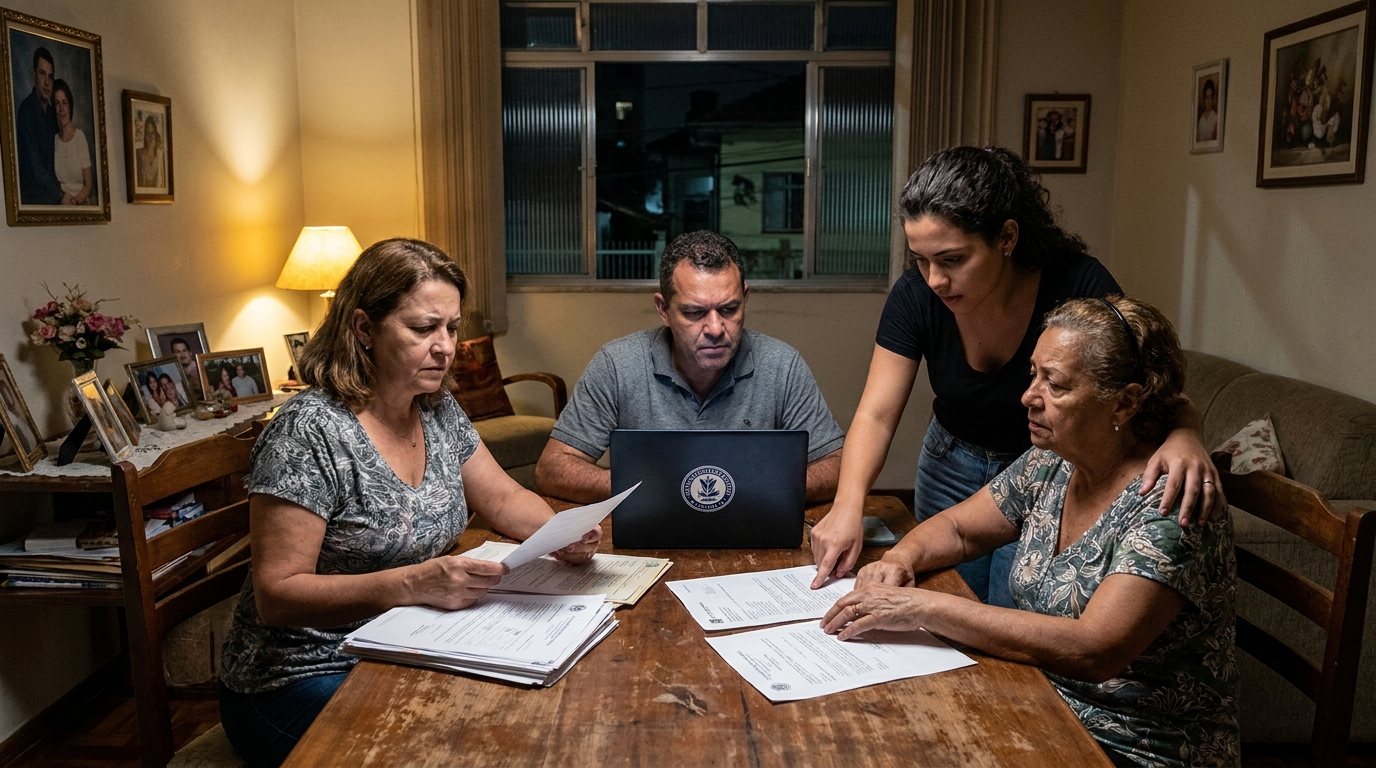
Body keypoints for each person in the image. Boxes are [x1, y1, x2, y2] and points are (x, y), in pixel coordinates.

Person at [218, 238, 601, 767]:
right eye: (423, 329)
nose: (446, 346)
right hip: (299, 677)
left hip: (402, 643)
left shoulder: (437, 407)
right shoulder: (307, 433)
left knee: (529, 716)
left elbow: (504, 495)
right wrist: (413, 584)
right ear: (363, 329)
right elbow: (278, 596)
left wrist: (562, 531)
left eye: (451, 327)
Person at [822, 296, 1237, 767]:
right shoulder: (1054, 458)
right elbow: (960, 529)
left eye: (1054, 383)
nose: (1029, 396)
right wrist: (899, 560)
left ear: (1124, 401)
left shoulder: (1170, 501)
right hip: (1043, 701)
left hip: (1132, 746)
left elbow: (1094, 650)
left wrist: (921, 607)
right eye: (1033, 374)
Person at [809, 147, 1219, 602]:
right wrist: (849, 505)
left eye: (951, 259)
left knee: (1011, 610)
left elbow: (1147, 388)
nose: (934, 280)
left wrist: (1185, 435)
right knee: (942, 597)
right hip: (951, 461)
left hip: (1043, 472)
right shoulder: (916, 295)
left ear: (1006, 237)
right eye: (920, 260)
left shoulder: (1077, 286)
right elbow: (878, 413)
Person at [534, 230, 844, 504]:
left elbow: (838, 465)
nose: (715, 328)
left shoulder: (782, 366)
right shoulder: (618, 365)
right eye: (694, 312)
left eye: (729, 309)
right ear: (664, 310)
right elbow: (551, 469)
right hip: (648, 538)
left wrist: (749, 487)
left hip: (751, 536)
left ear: (745, 299)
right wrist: (647, 488)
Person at [15, 47, 62, 205]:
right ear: (33, 74)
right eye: (42, 74)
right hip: (35, 200)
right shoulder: (26, 111)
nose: (47, 82)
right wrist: (62, 196)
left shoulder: (52, 113)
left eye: (50, 76)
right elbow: (36, 168)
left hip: (53, 196)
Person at [51, 79, 93, 206]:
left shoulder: (80, 138)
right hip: (60, 205)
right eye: (57, 104)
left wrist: (74, 202)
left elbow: (88, 184)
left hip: (80, 204)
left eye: (65, 103)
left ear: (70, 105)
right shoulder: (54, 141)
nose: (61, 109)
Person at [136, 115, 165, 189]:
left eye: (152, 132)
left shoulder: (161, 154)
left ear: (155, 133)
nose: (150, 136)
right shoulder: (139, 154)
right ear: (145, 135)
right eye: (147, 133)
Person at [1196, 78, 1219, 143]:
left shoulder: (1216, 118)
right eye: (1207, 97)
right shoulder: (1201, 120)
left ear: (1213, 99)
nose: (1209, 101)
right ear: (1204, 99)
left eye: (1210, 97)